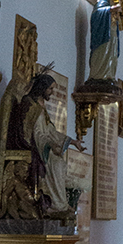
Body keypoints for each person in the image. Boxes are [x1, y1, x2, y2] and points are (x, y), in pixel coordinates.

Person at [8, 73, 85, 219]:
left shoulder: (41, 106)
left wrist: (72, 142)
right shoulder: (29, 103)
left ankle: (59, 204)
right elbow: (32, 132)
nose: (52, 92)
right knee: (55, 164)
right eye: (50, 89)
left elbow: (50, 130)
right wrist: (49, 144)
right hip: (31, 146)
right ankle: (55, 205)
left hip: (42, 145)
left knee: (59, 163)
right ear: (42, 88)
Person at [89, 0, 121, 81]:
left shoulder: (111, 2)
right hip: (103, 35)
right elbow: (96, 14)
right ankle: (98, 76)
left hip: (111, 34)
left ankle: (109, 75)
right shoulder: (103, 1)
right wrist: (111, 10)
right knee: (101, 54)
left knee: (111, 54)